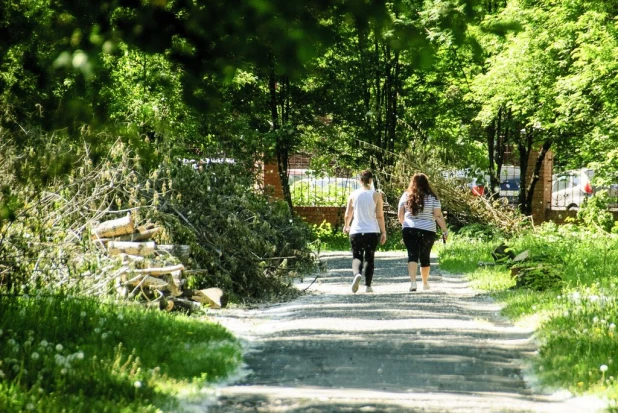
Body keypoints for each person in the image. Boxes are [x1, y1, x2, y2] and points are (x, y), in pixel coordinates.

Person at [398, 172, 448, 292]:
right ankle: (425, 283)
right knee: (425, 256)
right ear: (427, 183)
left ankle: (413, 282)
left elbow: (400, 215)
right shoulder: (433, 197)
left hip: (409, 228)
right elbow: (438, 216)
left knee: (412, 254)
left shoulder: (406, 196)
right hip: (428, 230)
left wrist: (405, 224)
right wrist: (444, 230)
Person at [343, 169, 387, 293]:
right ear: (371, 180)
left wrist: (346, 226)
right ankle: (368, 285)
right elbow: (379, 216)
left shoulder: (353, 194)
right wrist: (383, 232)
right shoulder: (376, 195)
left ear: (359, 180)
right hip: (371, 231)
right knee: (369, 257)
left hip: (356, 230)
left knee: (357, 256)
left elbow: (348, 214)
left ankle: (357, 274)